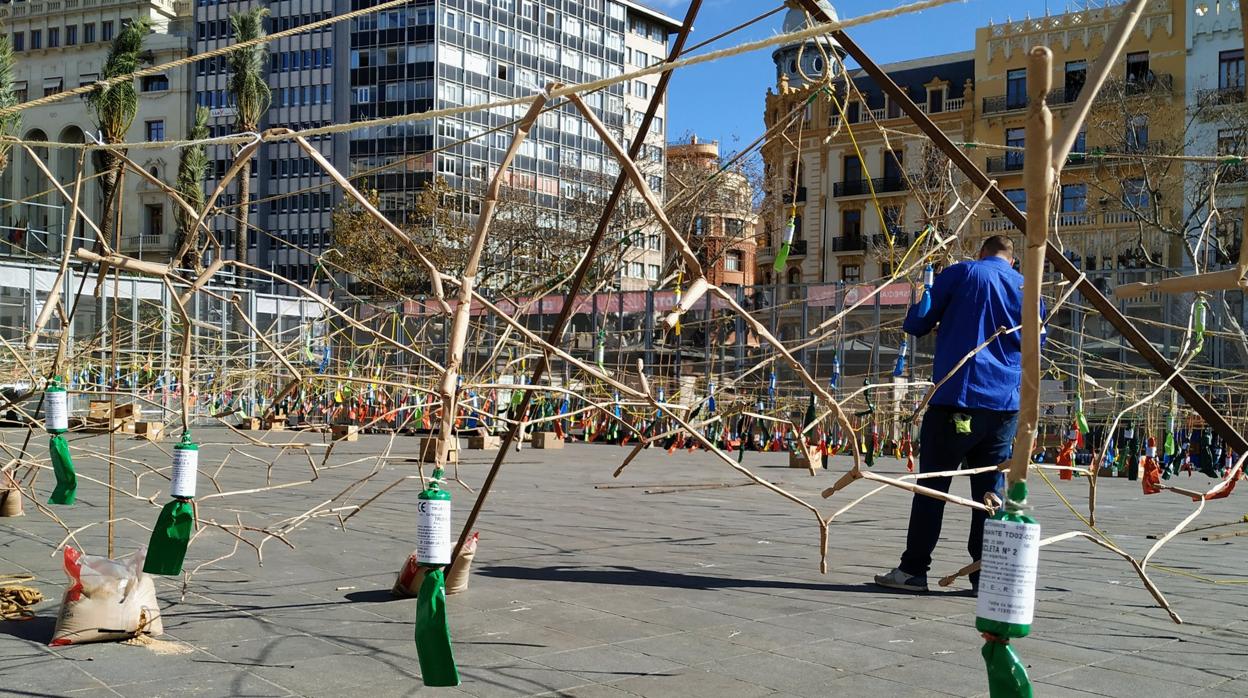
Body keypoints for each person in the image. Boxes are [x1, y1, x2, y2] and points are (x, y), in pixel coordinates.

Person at [874, 235, 1040, 593]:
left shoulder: (964, 272)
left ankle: (914, 570)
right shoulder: (1029, 287)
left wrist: (936, 305)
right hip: (1004, 408)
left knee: (933, 488)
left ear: (982, 253)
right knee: (990, 496)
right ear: (1011, 260)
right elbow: (1035, 343)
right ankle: (985, 575)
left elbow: (917, 323)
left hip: (957, 400)